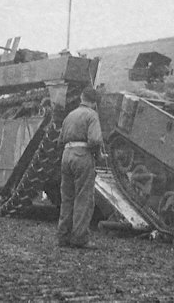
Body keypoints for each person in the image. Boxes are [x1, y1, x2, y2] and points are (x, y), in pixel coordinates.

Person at [57, 86, 103, 249]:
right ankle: (79, 238)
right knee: (83, 198)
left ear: (81, 98)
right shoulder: (92, 115)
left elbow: (60, 139)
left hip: (66, 155)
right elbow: (95, 140)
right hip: (82, 156)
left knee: (67, 198)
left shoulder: (70, 115)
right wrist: (99, 156)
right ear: (94, 102)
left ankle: (63, 237)